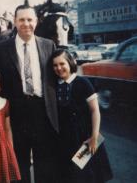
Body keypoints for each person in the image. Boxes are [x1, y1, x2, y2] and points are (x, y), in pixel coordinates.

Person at [0, 4, 59, 183]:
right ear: (15, 22)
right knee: (18, 162)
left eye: (30, 19)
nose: (26, 24)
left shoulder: (48, 46)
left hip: (43, 112)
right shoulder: (0, 49)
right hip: (15, 114)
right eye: (21, 20)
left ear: (36, 21)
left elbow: (58, 78)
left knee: (45, 161)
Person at [50, 49, 113, 183]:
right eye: (55, 65)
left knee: (87, 174)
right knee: (70, 175)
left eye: (62, 64)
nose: (59, 68)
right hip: (65, 140)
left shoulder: (82, 83)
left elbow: (95, 111)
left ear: (70, 63)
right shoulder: (54, 86)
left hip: (84, 138)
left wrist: (94, 137)